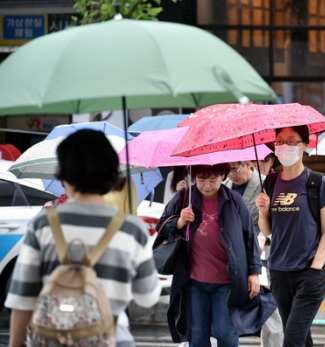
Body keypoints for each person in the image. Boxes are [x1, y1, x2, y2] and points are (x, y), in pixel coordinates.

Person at [5, 129, 161, 347]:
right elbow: (147, 296)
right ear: (112, 174)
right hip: (112, 340)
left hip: (51, 339)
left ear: (62, 176)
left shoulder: (44, 225)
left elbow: (22, 297)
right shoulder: (131, 229)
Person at [156, 163, 264, 346]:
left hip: (227, 281)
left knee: (225, 334)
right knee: (197, 335)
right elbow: (161, 228)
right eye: (201, 179)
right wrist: (180, 222)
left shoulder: (234, 200)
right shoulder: (184, 198)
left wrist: (254, 273)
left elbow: (249, 237)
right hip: (193, 281)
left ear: (223, 176)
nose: (207, 185)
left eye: (212, 179)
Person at [256, 125, 325, 347]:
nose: (284, 146)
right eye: (280, 141)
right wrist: (263, 211)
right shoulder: (270, 182)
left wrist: (316, 267)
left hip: (309, 272)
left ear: (305, 145)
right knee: (300, 336)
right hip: (279, 271)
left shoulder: (318, 182)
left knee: (291, 338)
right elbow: (269, 230)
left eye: (291, 141)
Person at [224, 160, 284, 347]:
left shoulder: (267, 184)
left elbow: (280, 221)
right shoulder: (222, 187)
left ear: (248, 164)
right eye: (228, 170)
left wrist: (263, 235)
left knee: (270, 310)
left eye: (235, 168)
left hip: (263, 254)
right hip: (230, 259)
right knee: (222, 310)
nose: (231, 174)